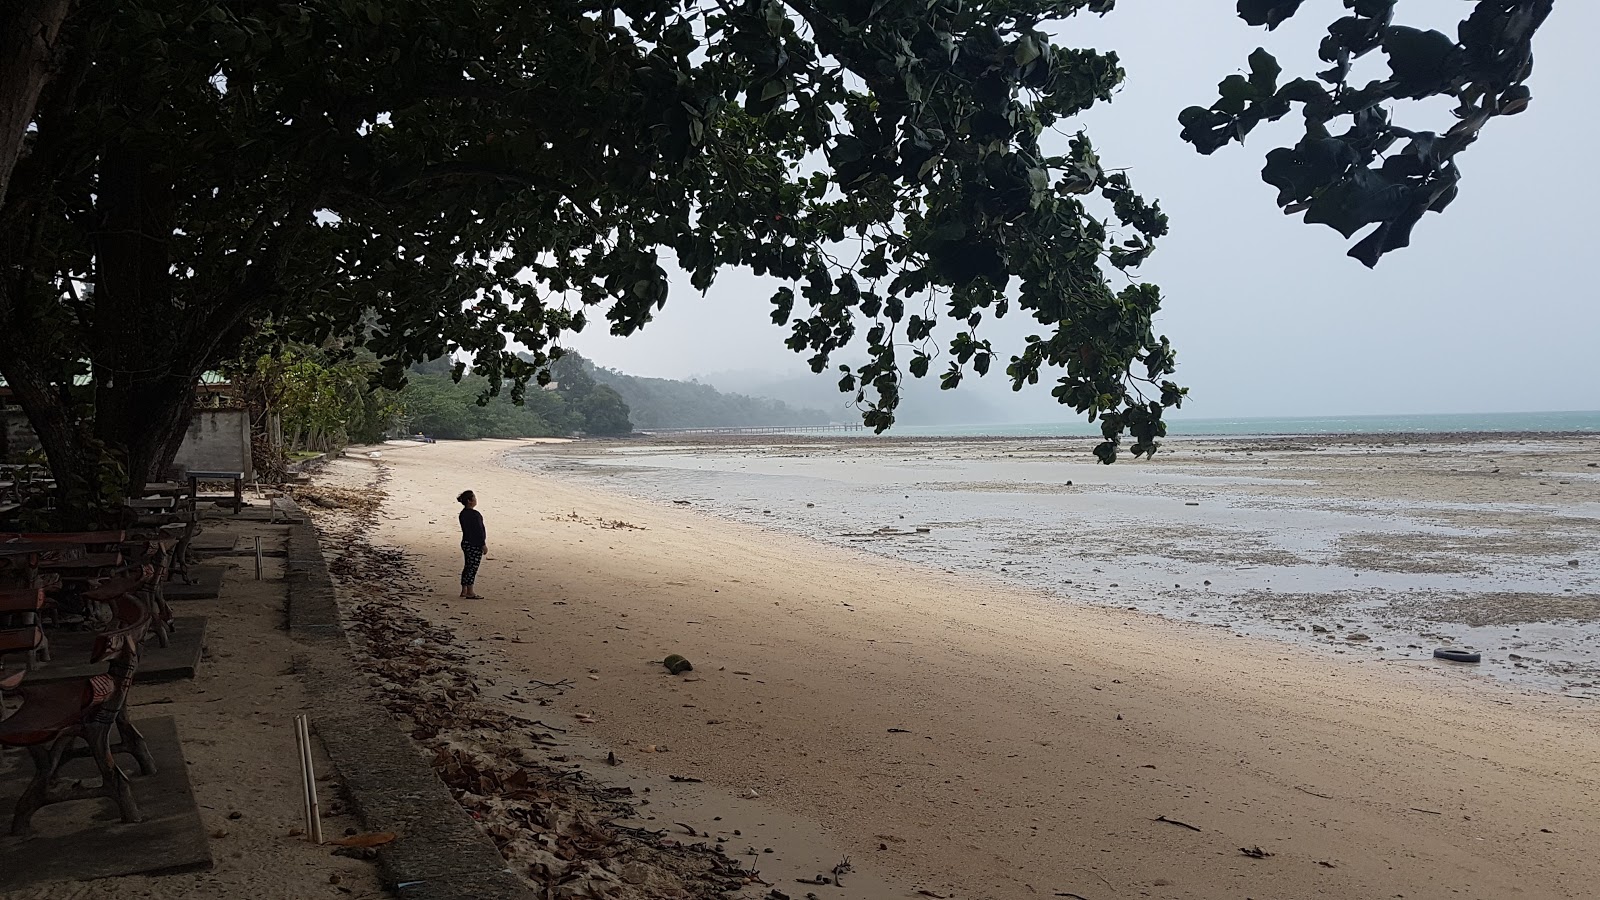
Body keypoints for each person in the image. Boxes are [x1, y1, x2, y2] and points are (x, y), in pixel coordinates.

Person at [457, 490, 486, 599]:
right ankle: (470, 590)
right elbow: (479, 531)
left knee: (467, 566)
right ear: (470, 501)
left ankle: (464, 589)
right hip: (474, 544)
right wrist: (483, 544)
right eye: (474, 498)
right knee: (472, 568)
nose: (475, 500)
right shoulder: (475, 515)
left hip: (465, 542)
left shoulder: (463, 514)